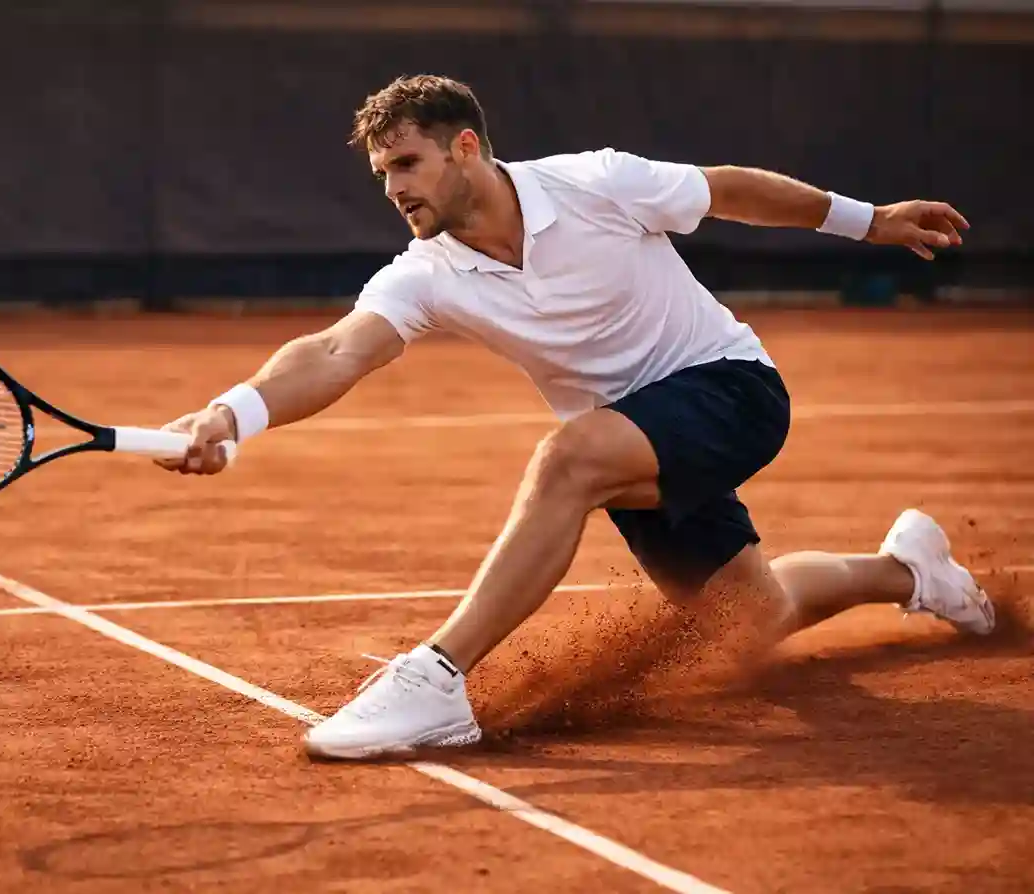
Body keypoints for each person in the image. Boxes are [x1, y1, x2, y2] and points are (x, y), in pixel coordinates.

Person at [155, 75, 994, 760]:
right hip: (632, 438)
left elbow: (731, 191)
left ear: (466, 148)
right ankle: (910, 570)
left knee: (565, 461)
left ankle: (438, 676)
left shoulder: (593, 181)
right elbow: (338, 350)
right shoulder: (424, 272)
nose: (396, 189)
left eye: (407, 163)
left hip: (730, 388)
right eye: (383, 176)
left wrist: (868, 220)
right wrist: (235, 410)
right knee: (753, 619)